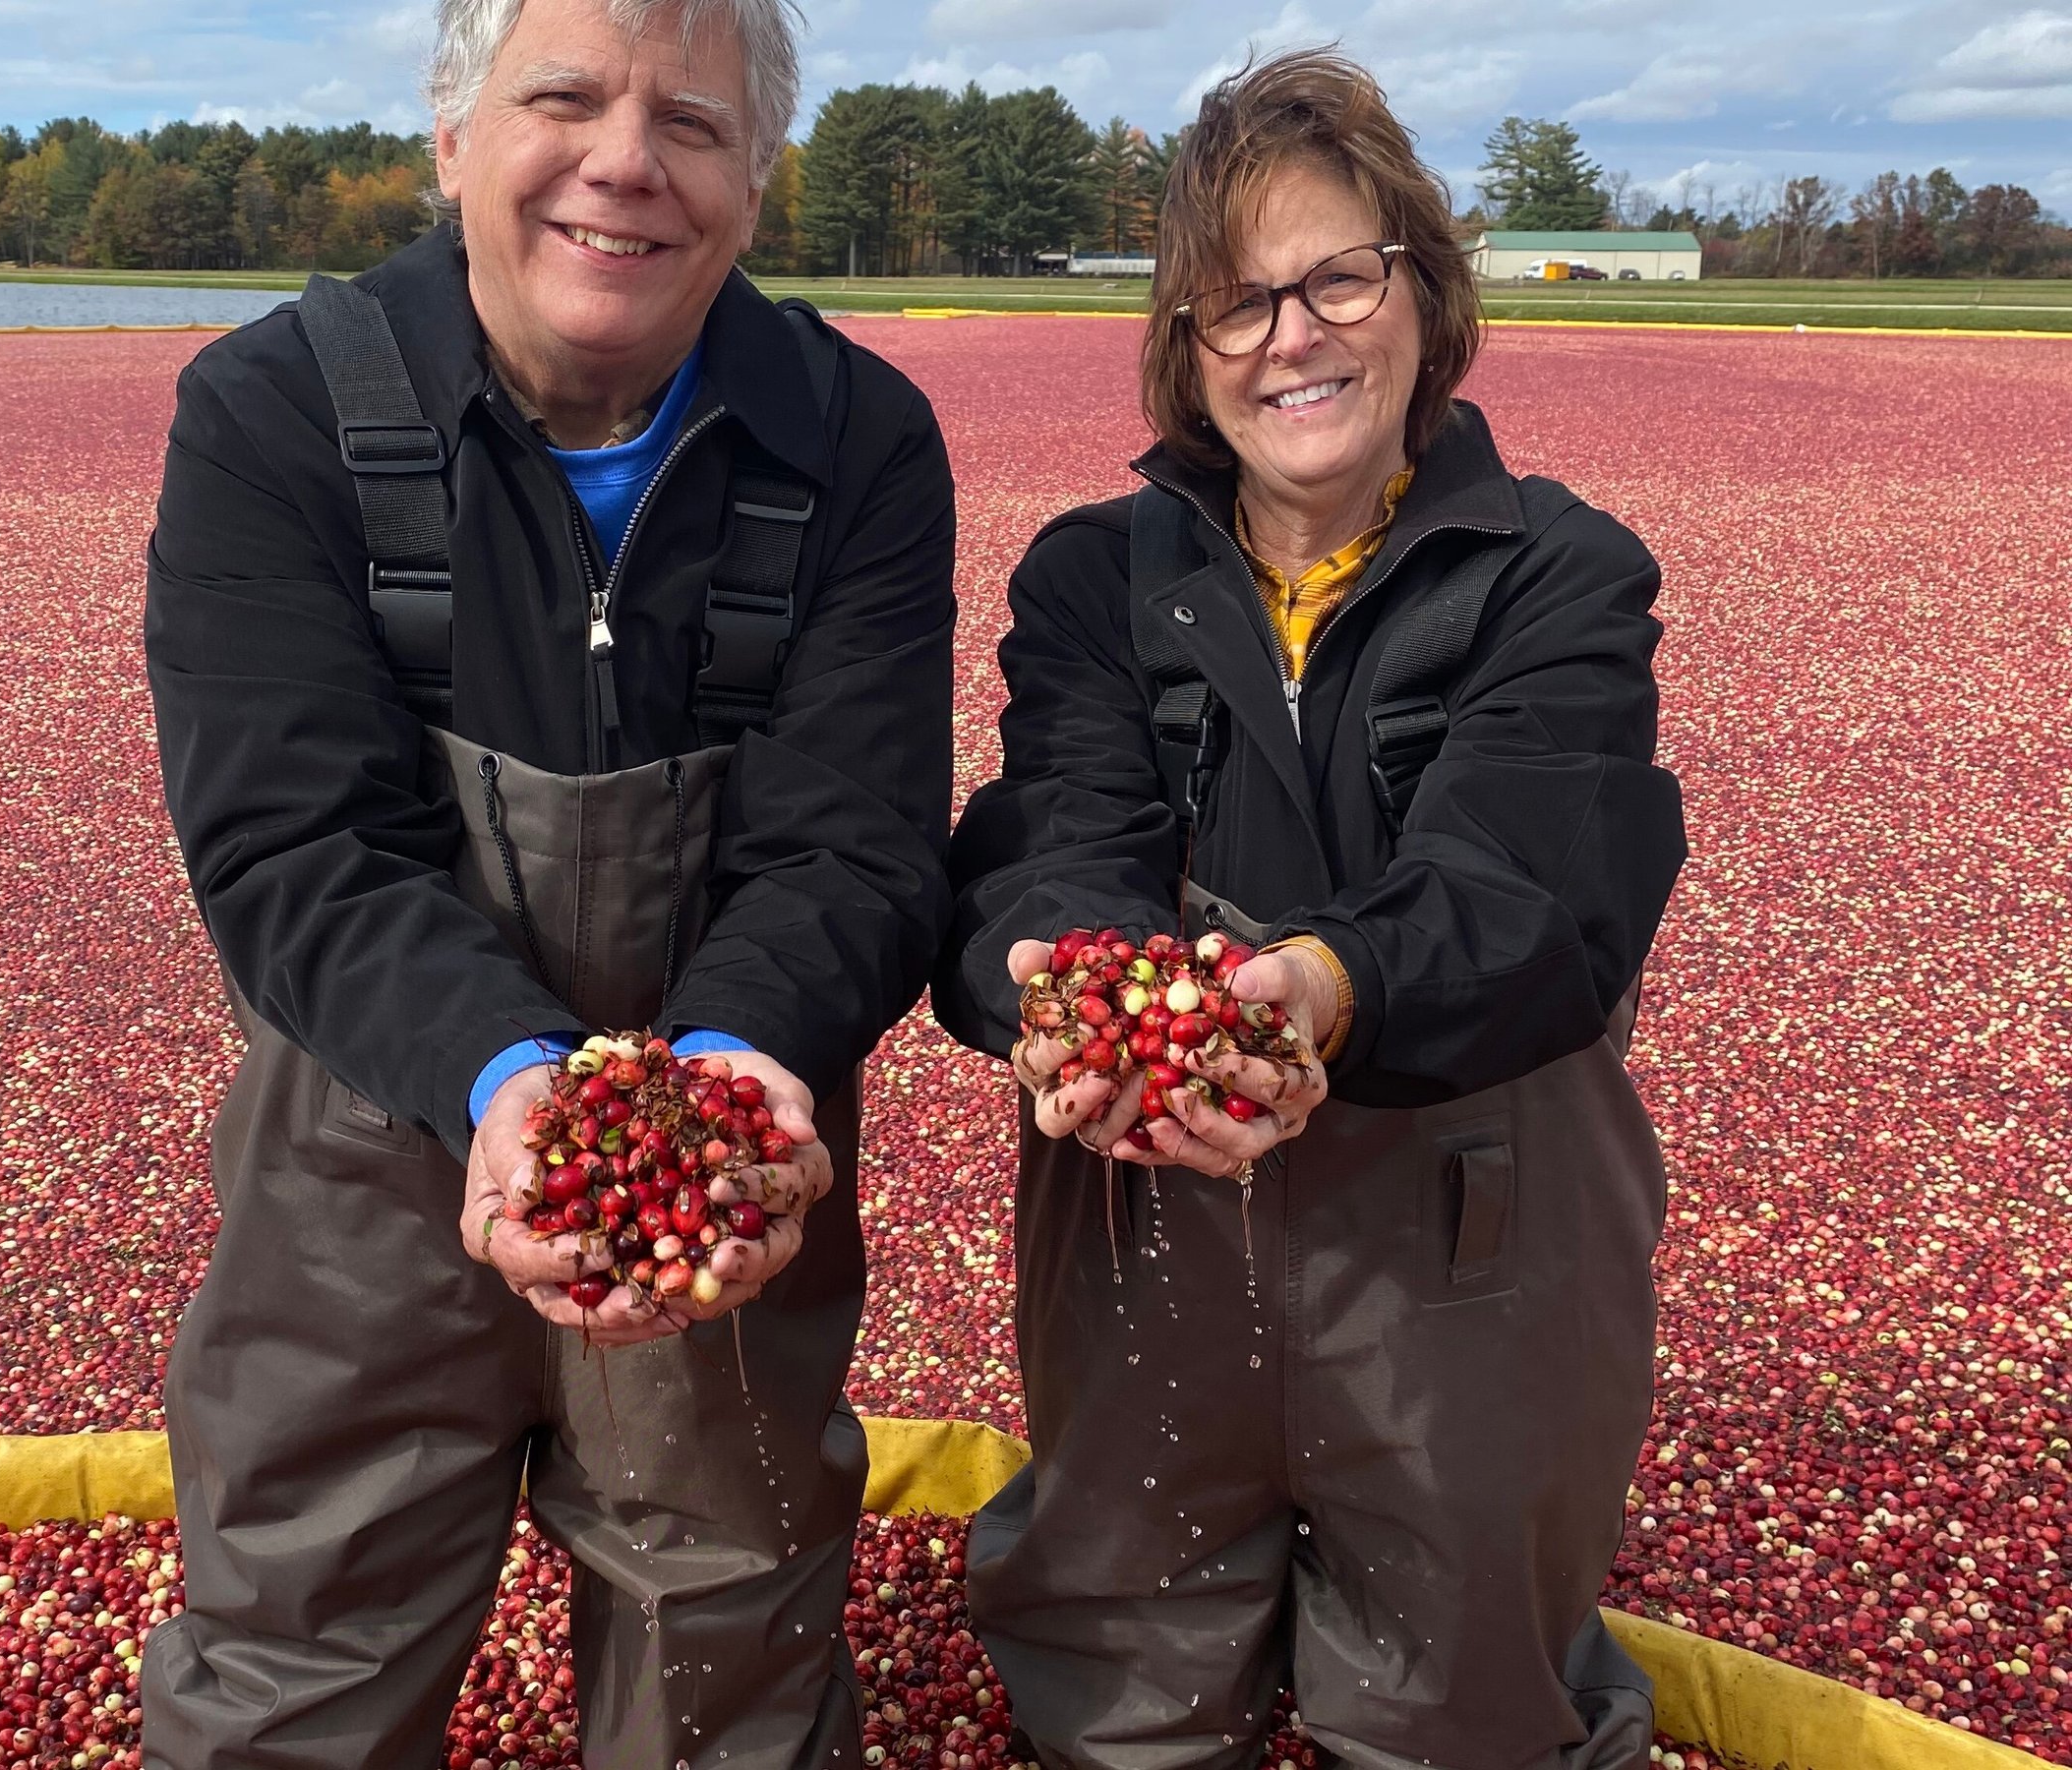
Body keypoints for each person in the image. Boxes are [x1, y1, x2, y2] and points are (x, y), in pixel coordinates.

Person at [138, 0, 957, 1761]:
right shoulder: (274, 411)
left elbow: (858, 841)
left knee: (723, 1652)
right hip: (371, 1141)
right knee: (304, 1637)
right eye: (565, 97)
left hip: (727, 1175)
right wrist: (513, 1082)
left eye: (694, 122)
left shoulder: (857, 440)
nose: (625, 162)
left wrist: (725, 1072)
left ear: (755, 185)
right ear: (451, 142)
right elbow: (294, 844)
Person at [933, 48, 1686, 1770]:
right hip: (1143, 1211)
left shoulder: (1557, 576)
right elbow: (1052, 837)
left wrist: (1324, 985)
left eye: (1340, 274)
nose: (1294, 336)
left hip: (1463, 1227)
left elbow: (1534, 889)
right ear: (1188, 353)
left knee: (1458, 1684)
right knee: (1120, 1646)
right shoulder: (1095, 579)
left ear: (1424, 290)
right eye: (1235, 302)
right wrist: (1051, 981)